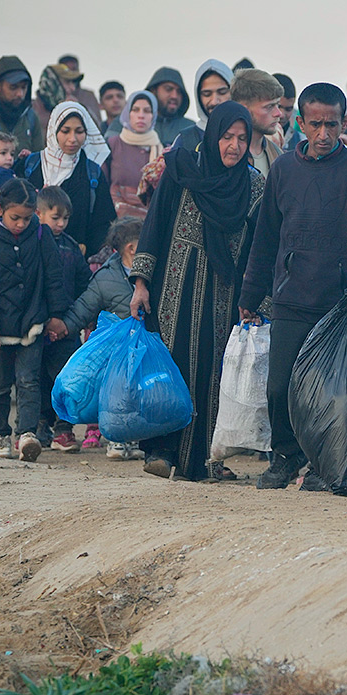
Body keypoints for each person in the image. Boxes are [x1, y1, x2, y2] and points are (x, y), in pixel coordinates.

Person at [239, 83, 347, 489]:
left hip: (337, 302)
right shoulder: (283, 169)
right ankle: (284, 457)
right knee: (279, 386)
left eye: (331, 124)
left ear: (344, 122)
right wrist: (251, 294)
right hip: (290, 297)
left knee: (328, 393)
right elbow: (265, 236)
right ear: (299, 122)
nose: (323, 133)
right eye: (314, 124)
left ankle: (321, 464)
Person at [129, 102, 264, 482]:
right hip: (174, 287)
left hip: (224, 294)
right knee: (170, 365)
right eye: (226, 136)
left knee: (212, 370)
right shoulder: (181, 169)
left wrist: (252, 298)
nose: (234, 146)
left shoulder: (254, 185)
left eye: (241, 138)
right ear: (212, 134)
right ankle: (162, 452)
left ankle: (204, 460)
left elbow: (258, 246)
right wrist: (141, 283)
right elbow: (154, 226)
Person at [0, 178, 70, 462]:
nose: (21, 224)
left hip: (32, 322)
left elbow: (53, 276)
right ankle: (0, 434)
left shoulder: (41, 235)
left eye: (27, 218)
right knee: (0, 384)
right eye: (15, 218)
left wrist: (55, 316)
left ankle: (26, 434)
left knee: (28, 381)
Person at [61, 216, 143, 458]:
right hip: (116, 352)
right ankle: (116, 441)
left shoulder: (150, 272)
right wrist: (64, 327)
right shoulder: (106, 277)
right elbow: (84, 307)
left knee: (138, 394)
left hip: (142, 348)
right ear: (132, 248)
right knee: (116, 396)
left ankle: (133, 439)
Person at [16, 101, 115, 255]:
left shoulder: (92, 173)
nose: (72, 139)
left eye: (79, 131)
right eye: (65, 131)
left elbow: (102, 223)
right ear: (54, 130)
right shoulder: (31, 165)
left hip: (74, 263)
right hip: (28, 256)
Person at [35, 186, 91, 451]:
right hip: (35, 326)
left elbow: (83, 286)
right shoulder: (30, 244)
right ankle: (38, 425)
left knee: (66, 377)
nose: (60, 224)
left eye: (65, 218)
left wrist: (73, 322)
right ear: (39, 214)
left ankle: (64, 428)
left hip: (66, 327)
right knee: (34, 379)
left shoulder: (71, 247)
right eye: (55, 217)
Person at [106, 90, 164, 219]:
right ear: (128, 113)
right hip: (115, 221)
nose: (141, 116)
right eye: (136, 110)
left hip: (148, 223)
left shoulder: (161, 151)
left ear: (153, 115)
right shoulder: (112, 144)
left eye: (147, 111)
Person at [107, 67, 196, 146]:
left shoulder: (190, 128)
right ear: (153, 91)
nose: (174, 96)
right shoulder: (124, 122)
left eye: (179, 92)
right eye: (168, 89)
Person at [229, 69, 285, 177]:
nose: (278, 113)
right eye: (269, 107)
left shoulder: (277, 153)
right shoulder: (226, 153)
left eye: (277, 104)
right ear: (244, 110)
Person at [0, 56, 43, 155]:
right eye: (13, 87)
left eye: (24, 88)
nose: (20, 94)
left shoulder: (31, 118)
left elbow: (39, 159)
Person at [32, 63, 84, 135]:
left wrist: (77, 113)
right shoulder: (31, 110)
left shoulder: (76, 106)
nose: (73, 88)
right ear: (52, 83)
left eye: (73, 83)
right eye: (67, 82)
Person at [55, 55, 103, 127]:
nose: (70, 73)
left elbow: (98, 125)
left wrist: (80, 107)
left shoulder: (88, 95)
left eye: (73, 69)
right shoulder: (49, 98)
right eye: (66, 70)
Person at [273, 73, 303, 152]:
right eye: (278, 106)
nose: (282, 115)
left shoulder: (302, 144)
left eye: (288, 109)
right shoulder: (249, 139)